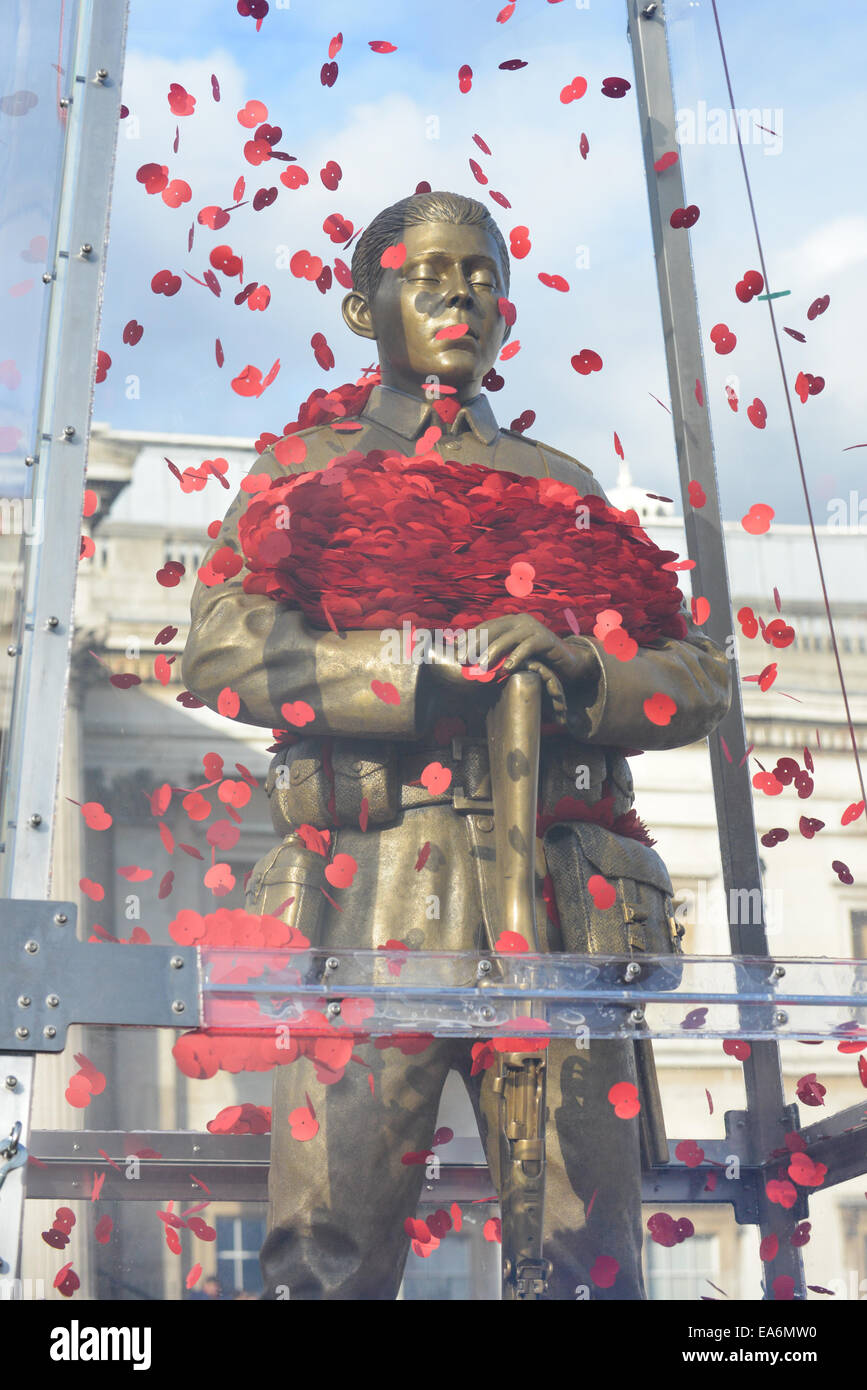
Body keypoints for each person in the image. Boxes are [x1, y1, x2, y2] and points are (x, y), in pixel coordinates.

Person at [182, 190, 730, 1300]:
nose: (461, 294)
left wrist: (583, 668)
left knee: (586, 1255)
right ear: (359, 301)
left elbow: (694, 678)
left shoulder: (563, 486)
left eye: (483, 274)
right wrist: (422, 660)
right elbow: (223, 653)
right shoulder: (305, 469)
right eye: (429, 269)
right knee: (326, 1246)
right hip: (373, 881)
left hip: (560, 887)